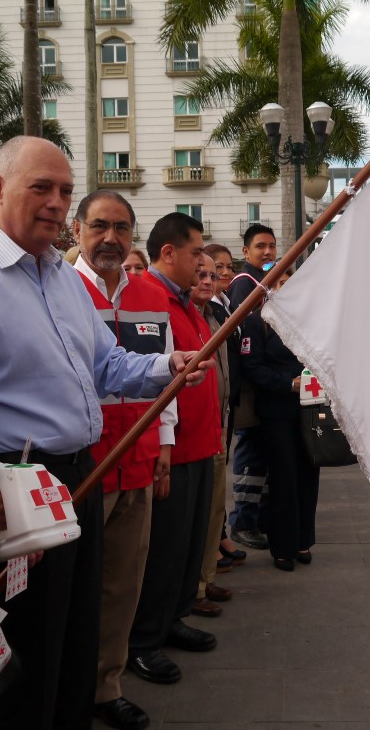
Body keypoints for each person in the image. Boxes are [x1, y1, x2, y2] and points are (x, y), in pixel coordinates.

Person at [0, 136, 211, 730]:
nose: (56, 203)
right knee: (31, 642)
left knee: (79, 630)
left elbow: (107, 367)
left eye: (64, 191)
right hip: (10, 486)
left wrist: (168, 366)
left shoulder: (59, 277)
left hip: (78, 473)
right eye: (41, 188)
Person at [71, 190, 174, 730]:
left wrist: (165, 443)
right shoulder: (62, 291)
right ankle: (68, 688)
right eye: (99, 226)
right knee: (78, 586)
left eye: (122, 228)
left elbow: (168, 375)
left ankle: (106, 686)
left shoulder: (151, 296)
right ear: (78, 229)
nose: (110, 238)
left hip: (138, 456)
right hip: (82, 462)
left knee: (123, 583)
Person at [128, 212, 221, 685]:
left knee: (185, 548)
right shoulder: (148, 298)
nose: (200, 261)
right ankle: (145, 638)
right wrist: (162, 443)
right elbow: (148, 375)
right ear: (168, 253)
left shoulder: (186, 302)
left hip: (202, 445)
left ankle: (173, 617)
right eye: (193, 253)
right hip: (174, 449)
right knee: (162, 551)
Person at [240, 267, 321, 571]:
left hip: (309, 411)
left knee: (308, 476)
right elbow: (253, 367)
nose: (283, 288)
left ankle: (303, 540)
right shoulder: (256, 323)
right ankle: (282, 546)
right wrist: (288, 383)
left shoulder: (307, 321)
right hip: (276, 412)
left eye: (288, 283)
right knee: (283, 478)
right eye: (277, 284)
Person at [226, 224, 278, 551]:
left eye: (272, 246)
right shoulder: (245, 284)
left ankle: (256, 517)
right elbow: (247, 335)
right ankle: (242, 521)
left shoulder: (264, 281)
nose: (268, 252)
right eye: (260, 246)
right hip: (251, 386)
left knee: (263, 456)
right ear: (246, 252)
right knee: (251, 454)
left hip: (264, 385)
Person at [189, 253, 233, 617]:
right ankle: (194, 587)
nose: (208, 280)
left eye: (213, 275)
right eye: (200, 274)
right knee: (198, 514)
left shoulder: (214, 317)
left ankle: (206, 577)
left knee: (215, 509)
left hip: (218, 426)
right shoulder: (187, 316)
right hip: (192, 433)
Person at [203, 243, 245, 568]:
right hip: (210, 411)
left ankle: (220, 535)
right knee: (212, 482)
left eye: (229, 266)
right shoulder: (208, 308)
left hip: (226, 405)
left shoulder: (224, 305)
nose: (224, 273)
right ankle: (213, 544)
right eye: (218, 267)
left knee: (220, 480)